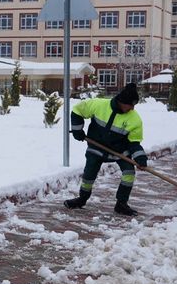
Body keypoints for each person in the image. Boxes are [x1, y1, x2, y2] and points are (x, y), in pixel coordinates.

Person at [63, 83, 148, 216]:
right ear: (121, 101)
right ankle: (82, 199)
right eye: (130, 104)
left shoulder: (135, 119)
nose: (132, 108)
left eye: (134, 105)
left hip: (120, 151)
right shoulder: (99, 105)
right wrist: (77, 130)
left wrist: (140, 158)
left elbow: (134, 143)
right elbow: (77, 111)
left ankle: (121, 204)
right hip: (96, 147)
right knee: (89, 175)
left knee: (129, 173)